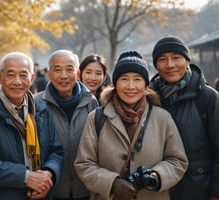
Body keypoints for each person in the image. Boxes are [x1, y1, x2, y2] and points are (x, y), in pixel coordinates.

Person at [74, 50, 189, 200]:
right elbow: (84, 163)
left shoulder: (162, 118)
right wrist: (112, 183)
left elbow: (177, 160)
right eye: (124, 79)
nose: (130, 86)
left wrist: (157, 176)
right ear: (115, 83)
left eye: (137, 79)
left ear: (145, 84)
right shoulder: (97, 117)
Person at [0, 52, 64, 200]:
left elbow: (56, 150)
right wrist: (26, 177)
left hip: (39, 194)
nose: (17, 82)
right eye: (10, 75)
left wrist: (47, 175)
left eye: (23, 75)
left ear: (31, 78)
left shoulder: (41, 109)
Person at [149, 35, 219, 200]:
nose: (170, 64)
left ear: (187, 61)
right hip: (159, 192)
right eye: (163, 59)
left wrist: (216, 193)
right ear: (156, 65)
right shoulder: (149, 99)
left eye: (176, 57)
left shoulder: (207, 97)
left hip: (199, 191)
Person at [35, 49, 99, 200]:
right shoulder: (37, 103)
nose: (63, 75)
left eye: (69, 69)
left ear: (77, 74)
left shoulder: (91, 102)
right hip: (51, 189)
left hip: (85, 188)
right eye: (57, 70)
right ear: (49, 73)